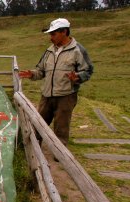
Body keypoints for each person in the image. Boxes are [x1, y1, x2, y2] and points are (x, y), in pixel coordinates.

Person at [19, 18, 93, 147]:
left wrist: (77, 77)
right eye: (50, 34)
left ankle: (60, 154)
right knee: (39, 123)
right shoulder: (49, 50)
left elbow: (88, 70)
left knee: (61, 127)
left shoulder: (77, 50)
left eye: (53, 34)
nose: (50, 38)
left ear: (64, 32)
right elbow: (41, 70)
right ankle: (34, 148)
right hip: (46, 95)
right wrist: (32, 74)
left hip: (66, 96)